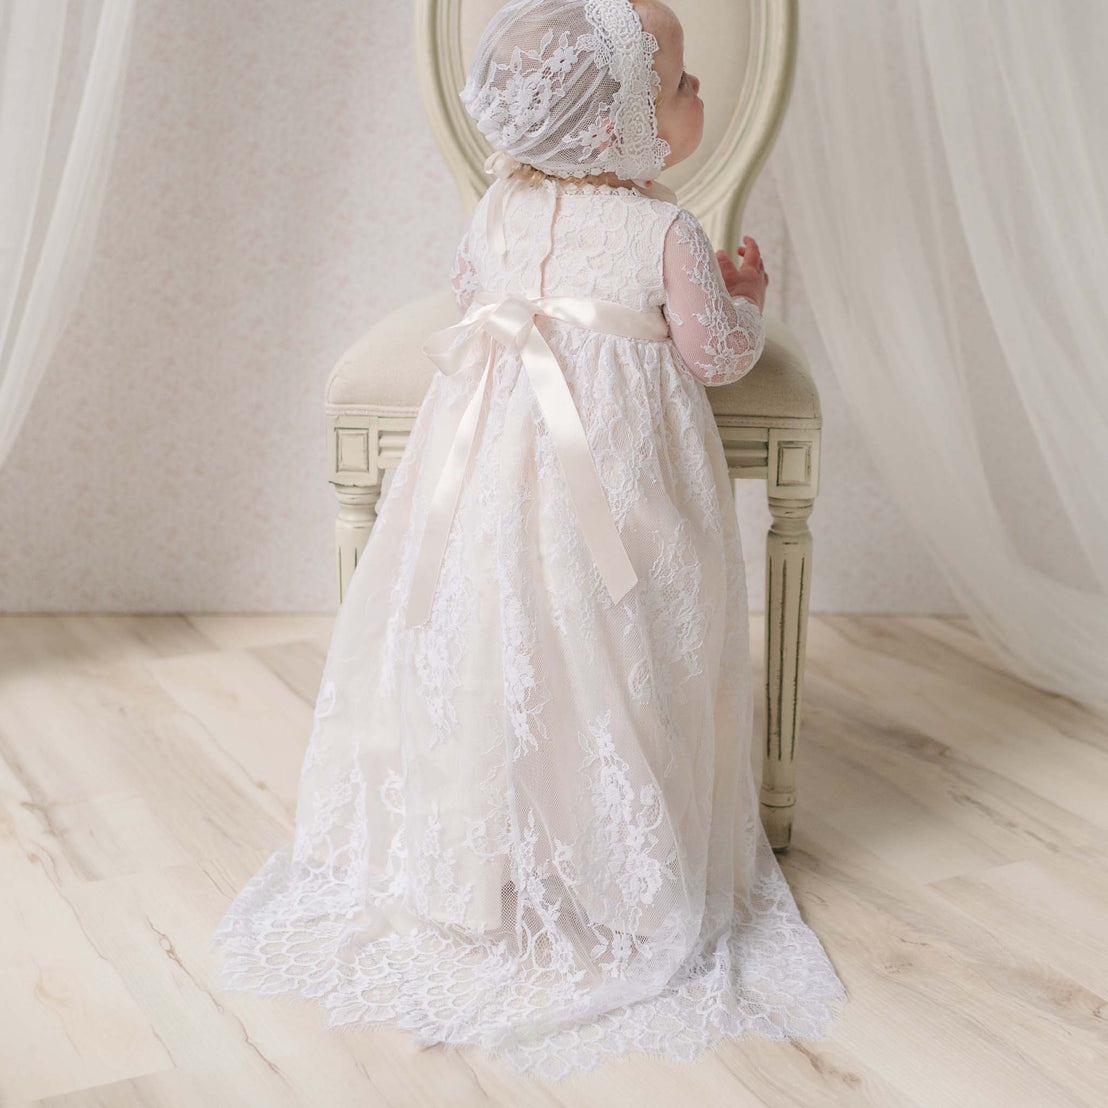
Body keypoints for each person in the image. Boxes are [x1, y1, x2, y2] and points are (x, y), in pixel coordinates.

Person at [210, 0, 847, 1082]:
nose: (700, 93)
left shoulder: (499, 207)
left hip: (496, 466)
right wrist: (743, 298)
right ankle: (615, 855)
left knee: (500, 640)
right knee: (623, 640)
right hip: (617, 475)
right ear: (619, 130)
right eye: (679, 85)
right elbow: (716, 358)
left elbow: (471, 302)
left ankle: (491, 848)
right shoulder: (665, 231)